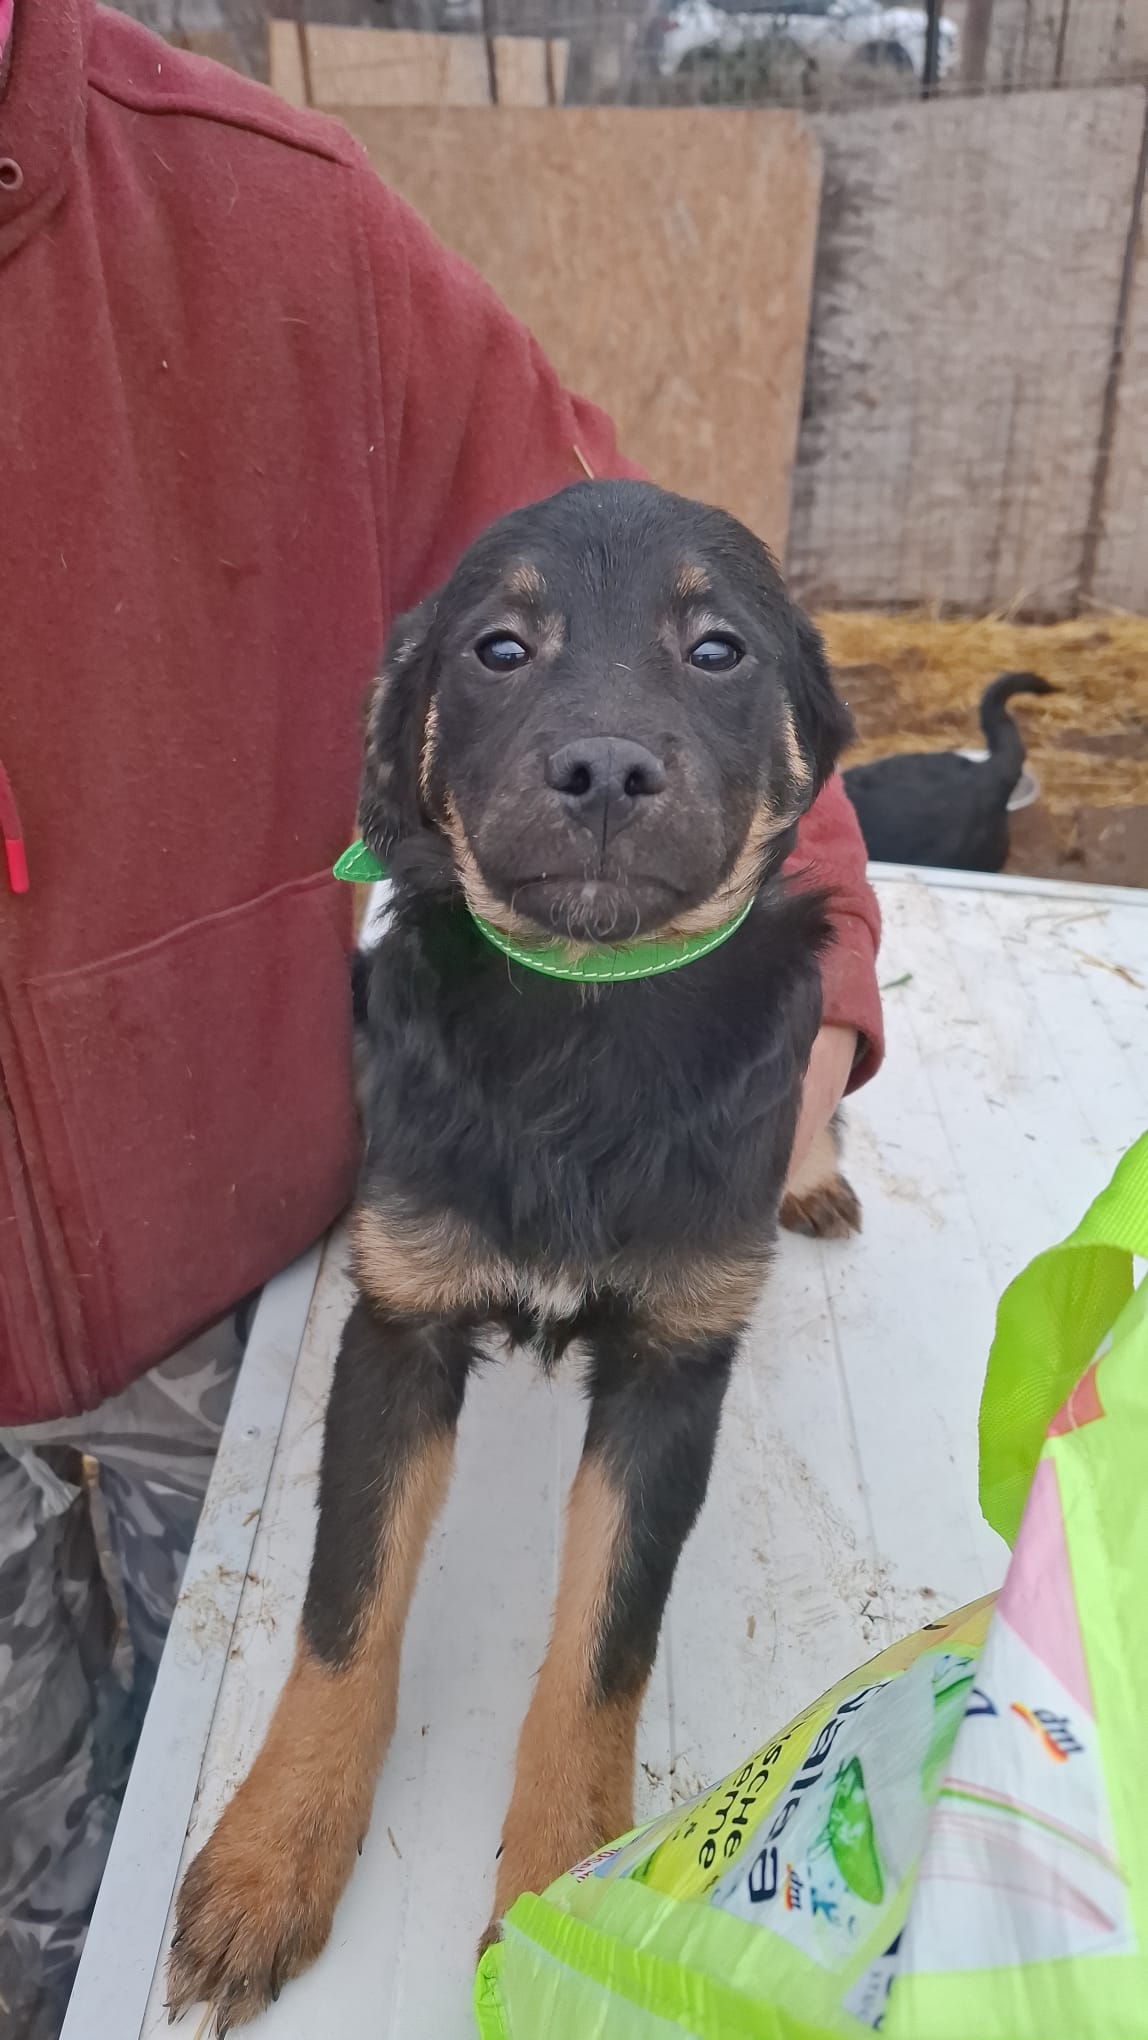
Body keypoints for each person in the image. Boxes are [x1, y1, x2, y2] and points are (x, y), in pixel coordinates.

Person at [0, 2, 883, 2032]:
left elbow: (636, 571)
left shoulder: (282, 221)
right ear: (419, 737)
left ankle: (558, 1801)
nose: (599, 747)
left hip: (240, 1274)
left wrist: (822, 995)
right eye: (500, 664)